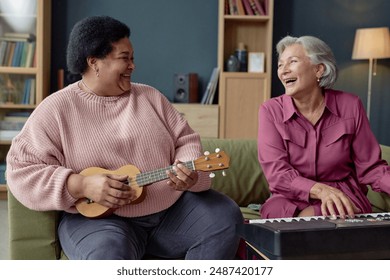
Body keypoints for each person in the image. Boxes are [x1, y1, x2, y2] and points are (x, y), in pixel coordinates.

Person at [6, 15, 243, 260]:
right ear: (94, 62)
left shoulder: (151, 97)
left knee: (224, 215)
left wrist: (189, 174)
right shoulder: (56, 109)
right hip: (97, 223)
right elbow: (20, 169)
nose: (132, 66)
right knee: (107, 253)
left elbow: (186, 140)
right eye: (124, 58)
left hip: (171, 214)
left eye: (132, 58)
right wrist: (79, 184)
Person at [257, 35, 390, 219]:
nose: (283, 71)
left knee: (320, 216)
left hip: (342, 194)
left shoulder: (350, 105)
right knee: (275, 213)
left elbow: (372, 168)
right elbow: (277, 173)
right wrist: (319, 190)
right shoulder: (270, 111)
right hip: (290, 195)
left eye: (292, 62)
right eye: (280, 65)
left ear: (318, 69)